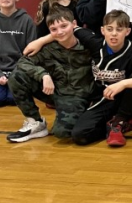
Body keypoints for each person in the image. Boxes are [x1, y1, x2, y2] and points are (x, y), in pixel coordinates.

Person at [66, 10, 132, 148]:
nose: (114, 33)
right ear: (102, 30)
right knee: (79, 135)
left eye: (119, 29)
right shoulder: (95, 43)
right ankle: (123, 125)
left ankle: (118, 122)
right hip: (103, 100)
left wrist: (122, 84)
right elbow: (67, 29)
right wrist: (39, 41)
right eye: (110, 29)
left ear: (127, 32)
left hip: (128, 101)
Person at [6, 9, 94, 143]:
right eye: (54, 29)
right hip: (54, 91)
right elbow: (23, 62)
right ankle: (35, 122)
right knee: (17, 77)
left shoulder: (88, 44)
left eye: (64, 26)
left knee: (62, 133)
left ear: (74, 24)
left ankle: (81, 114)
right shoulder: (48, 47)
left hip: (77, 97)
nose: (59, 32)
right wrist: (44, 75)